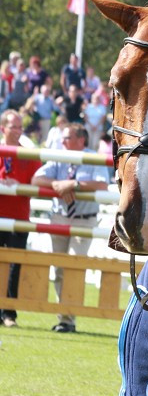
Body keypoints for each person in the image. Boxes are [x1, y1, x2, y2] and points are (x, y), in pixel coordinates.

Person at [31, 123, 110, 333]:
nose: (62, 141)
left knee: (74, 267)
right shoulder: (59, 156)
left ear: (80, 140)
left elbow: (102, 184)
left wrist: (73, 184)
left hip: (83, 219)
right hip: (59, 217)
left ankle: (68, 319)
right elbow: (37, 178)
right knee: (58, 268)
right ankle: (63, 317)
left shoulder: (92, 157)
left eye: (66, 138)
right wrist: (58, 184)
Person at [0, 110, 42, 327]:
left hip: (19, 217)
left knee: (15, 267)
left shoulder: (28, 154)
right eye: (13, 127)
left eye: (19, 127)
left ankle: (9, 314)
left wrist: (21, 186)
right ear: (3, 128)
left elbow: (38, 184)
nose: (17, 131)